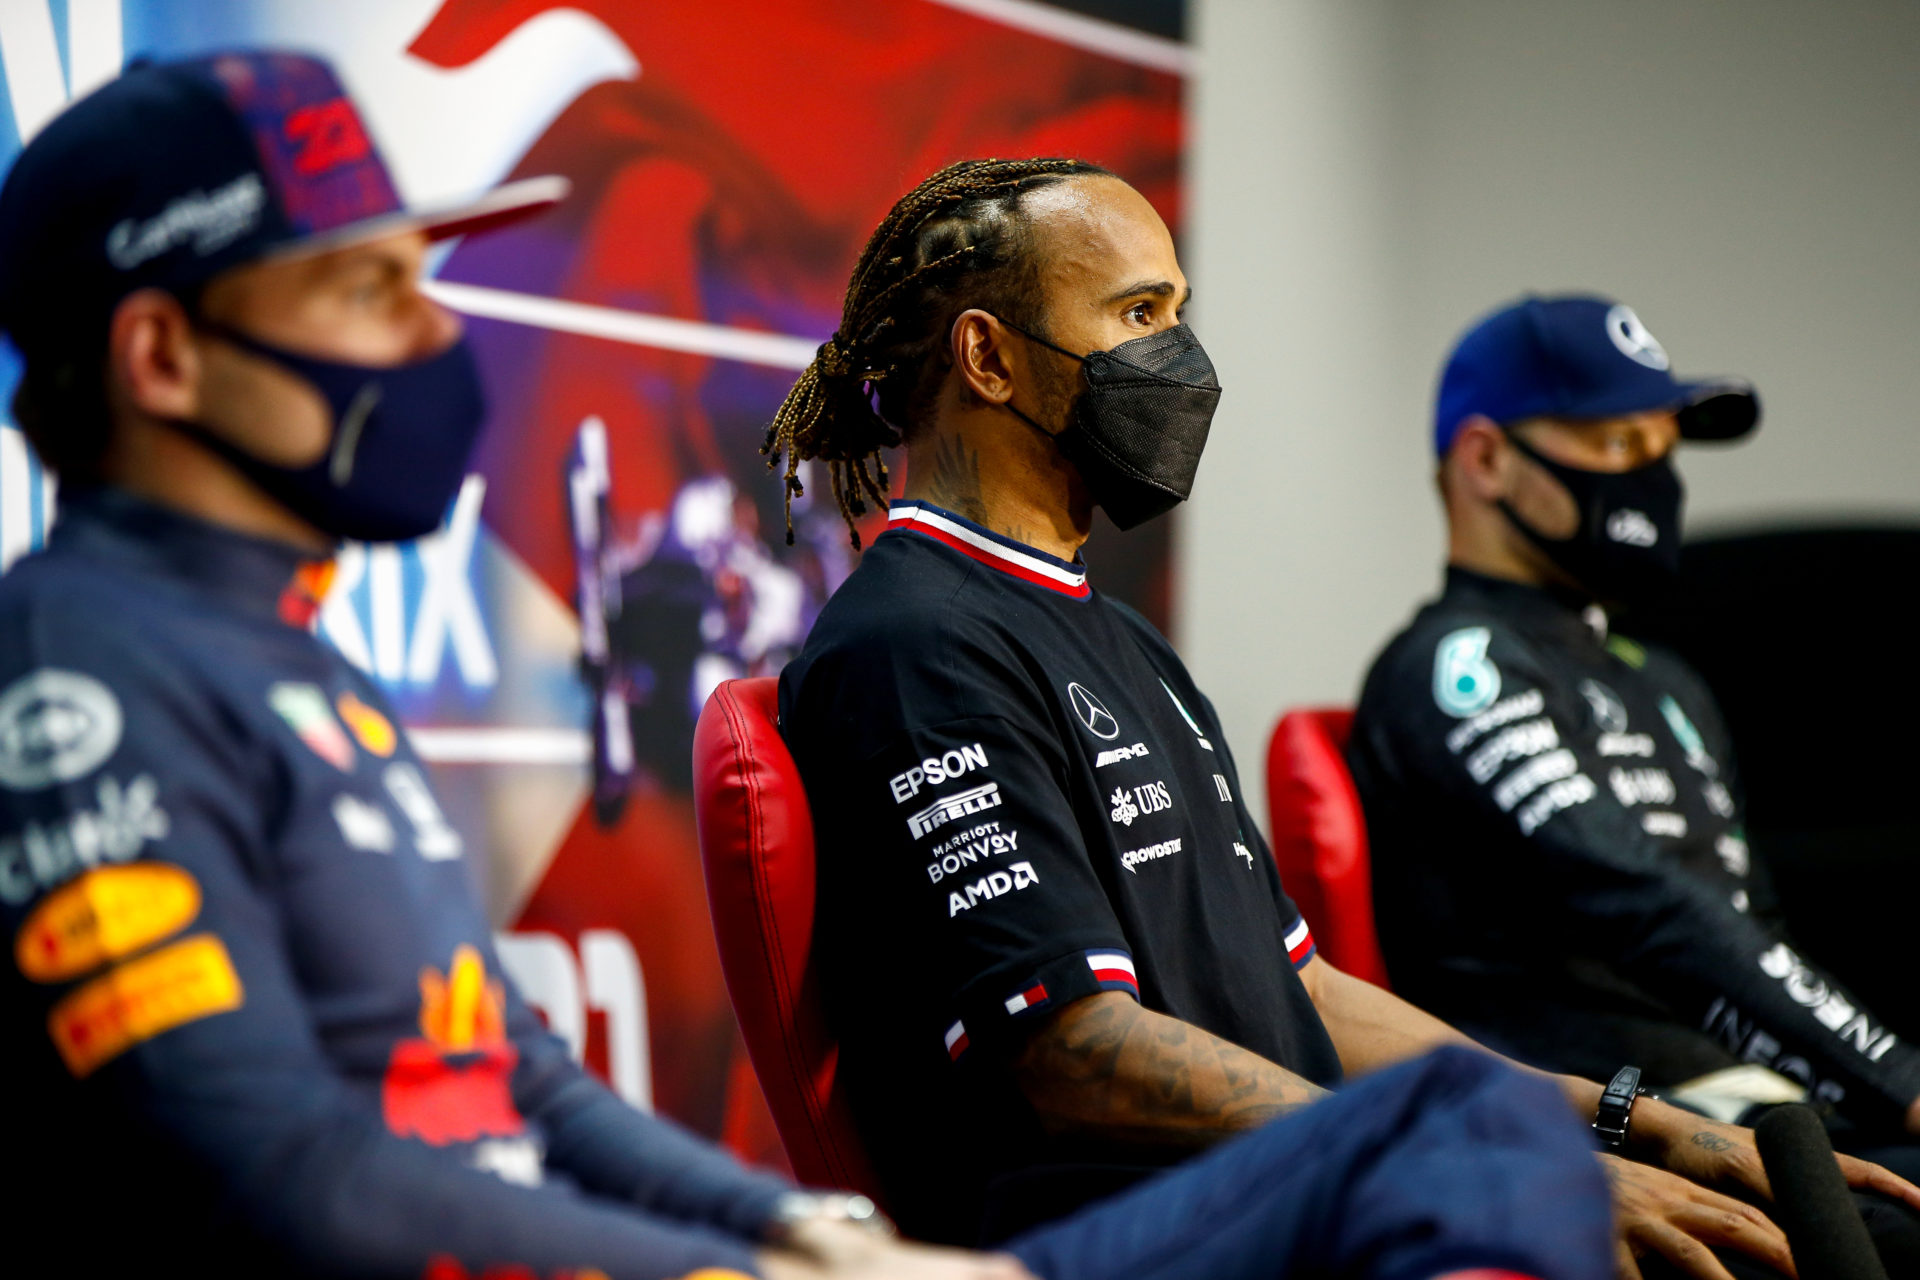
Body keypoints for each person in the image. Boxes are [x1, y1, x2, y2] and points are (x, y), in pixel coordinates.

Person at [0, 52, 1607, 1280]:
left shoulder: (299, 669)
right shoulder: (73, 672)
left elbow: (530, 1089)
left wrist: (806, 1231)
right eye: (368, 290)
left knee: (1493, 1134)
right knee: (1468, 1133)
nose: (434, 341)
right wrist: (744, 1271)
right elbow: (267, 1159)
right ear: (159, 355)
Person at [769, 162, 1920, 1279]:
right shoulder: (915, 644)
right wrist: (1478, 1158)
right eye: (1138, 311)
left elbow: (1305, 988)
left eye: (1180, 309)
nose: (1184, 356)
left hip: (1314, 1198)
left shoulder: (1121, 639)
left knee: (1846, 1207)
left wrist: (1620, 1119)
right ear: (989, 356)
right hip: (1149, 1232)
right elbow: (1077, 1052)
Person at [1346, 296, 1920, 1176]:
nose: (1653, 475)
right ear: (1489, 460)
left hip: (1751, 1108)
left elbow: (1749, 924)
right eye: (1618, 444)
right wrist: (1897, 1079)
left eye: (1663, 446)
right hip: (1594, 1134)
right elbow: (1641, 902)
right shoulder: (1454, 667)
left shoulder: (1665, 682)